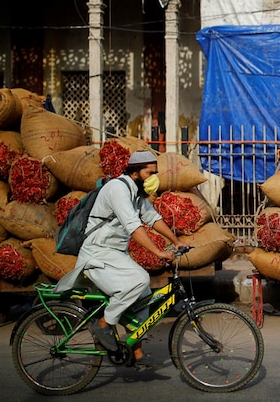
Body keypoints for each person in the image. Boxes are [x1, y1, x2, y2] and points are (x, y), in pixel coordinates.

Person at [55, 150, 187, 370]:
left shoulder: (136, 192)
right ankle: (104, 324)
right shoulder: (118, 188)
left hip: (115, 255)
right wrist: (159, 252)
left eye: (156, 172)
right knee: (140, 280)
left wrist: (175, 240)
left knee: (144, 298)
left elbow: (151, 217)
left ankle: (137, 354)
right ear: (135, 172)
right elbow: (134, 227)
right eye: (150, 172)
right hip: (97, 254)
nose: (154, 177)